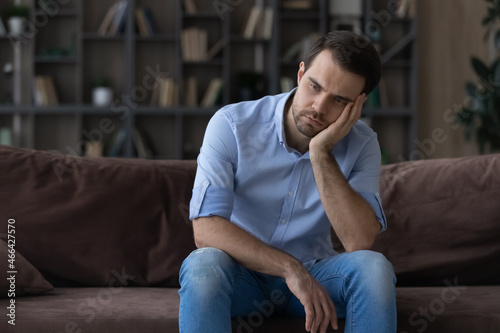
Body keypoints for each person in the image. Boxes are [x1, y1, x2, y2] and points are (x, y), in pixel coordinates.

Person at [178, 30, 396, 333]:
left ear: (357, 105)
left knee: (375, 269)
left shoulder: (363, 144)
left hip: (318, 276)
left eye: (339, 100)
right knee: (202, 265)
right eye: (314, 86)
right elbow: (206, 228)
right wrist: (290, 268)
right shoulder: (231, 125)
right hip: (243, 277)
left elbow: (358, 241)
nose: (319, 107)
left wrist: (320, 152)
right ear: (300, 72)